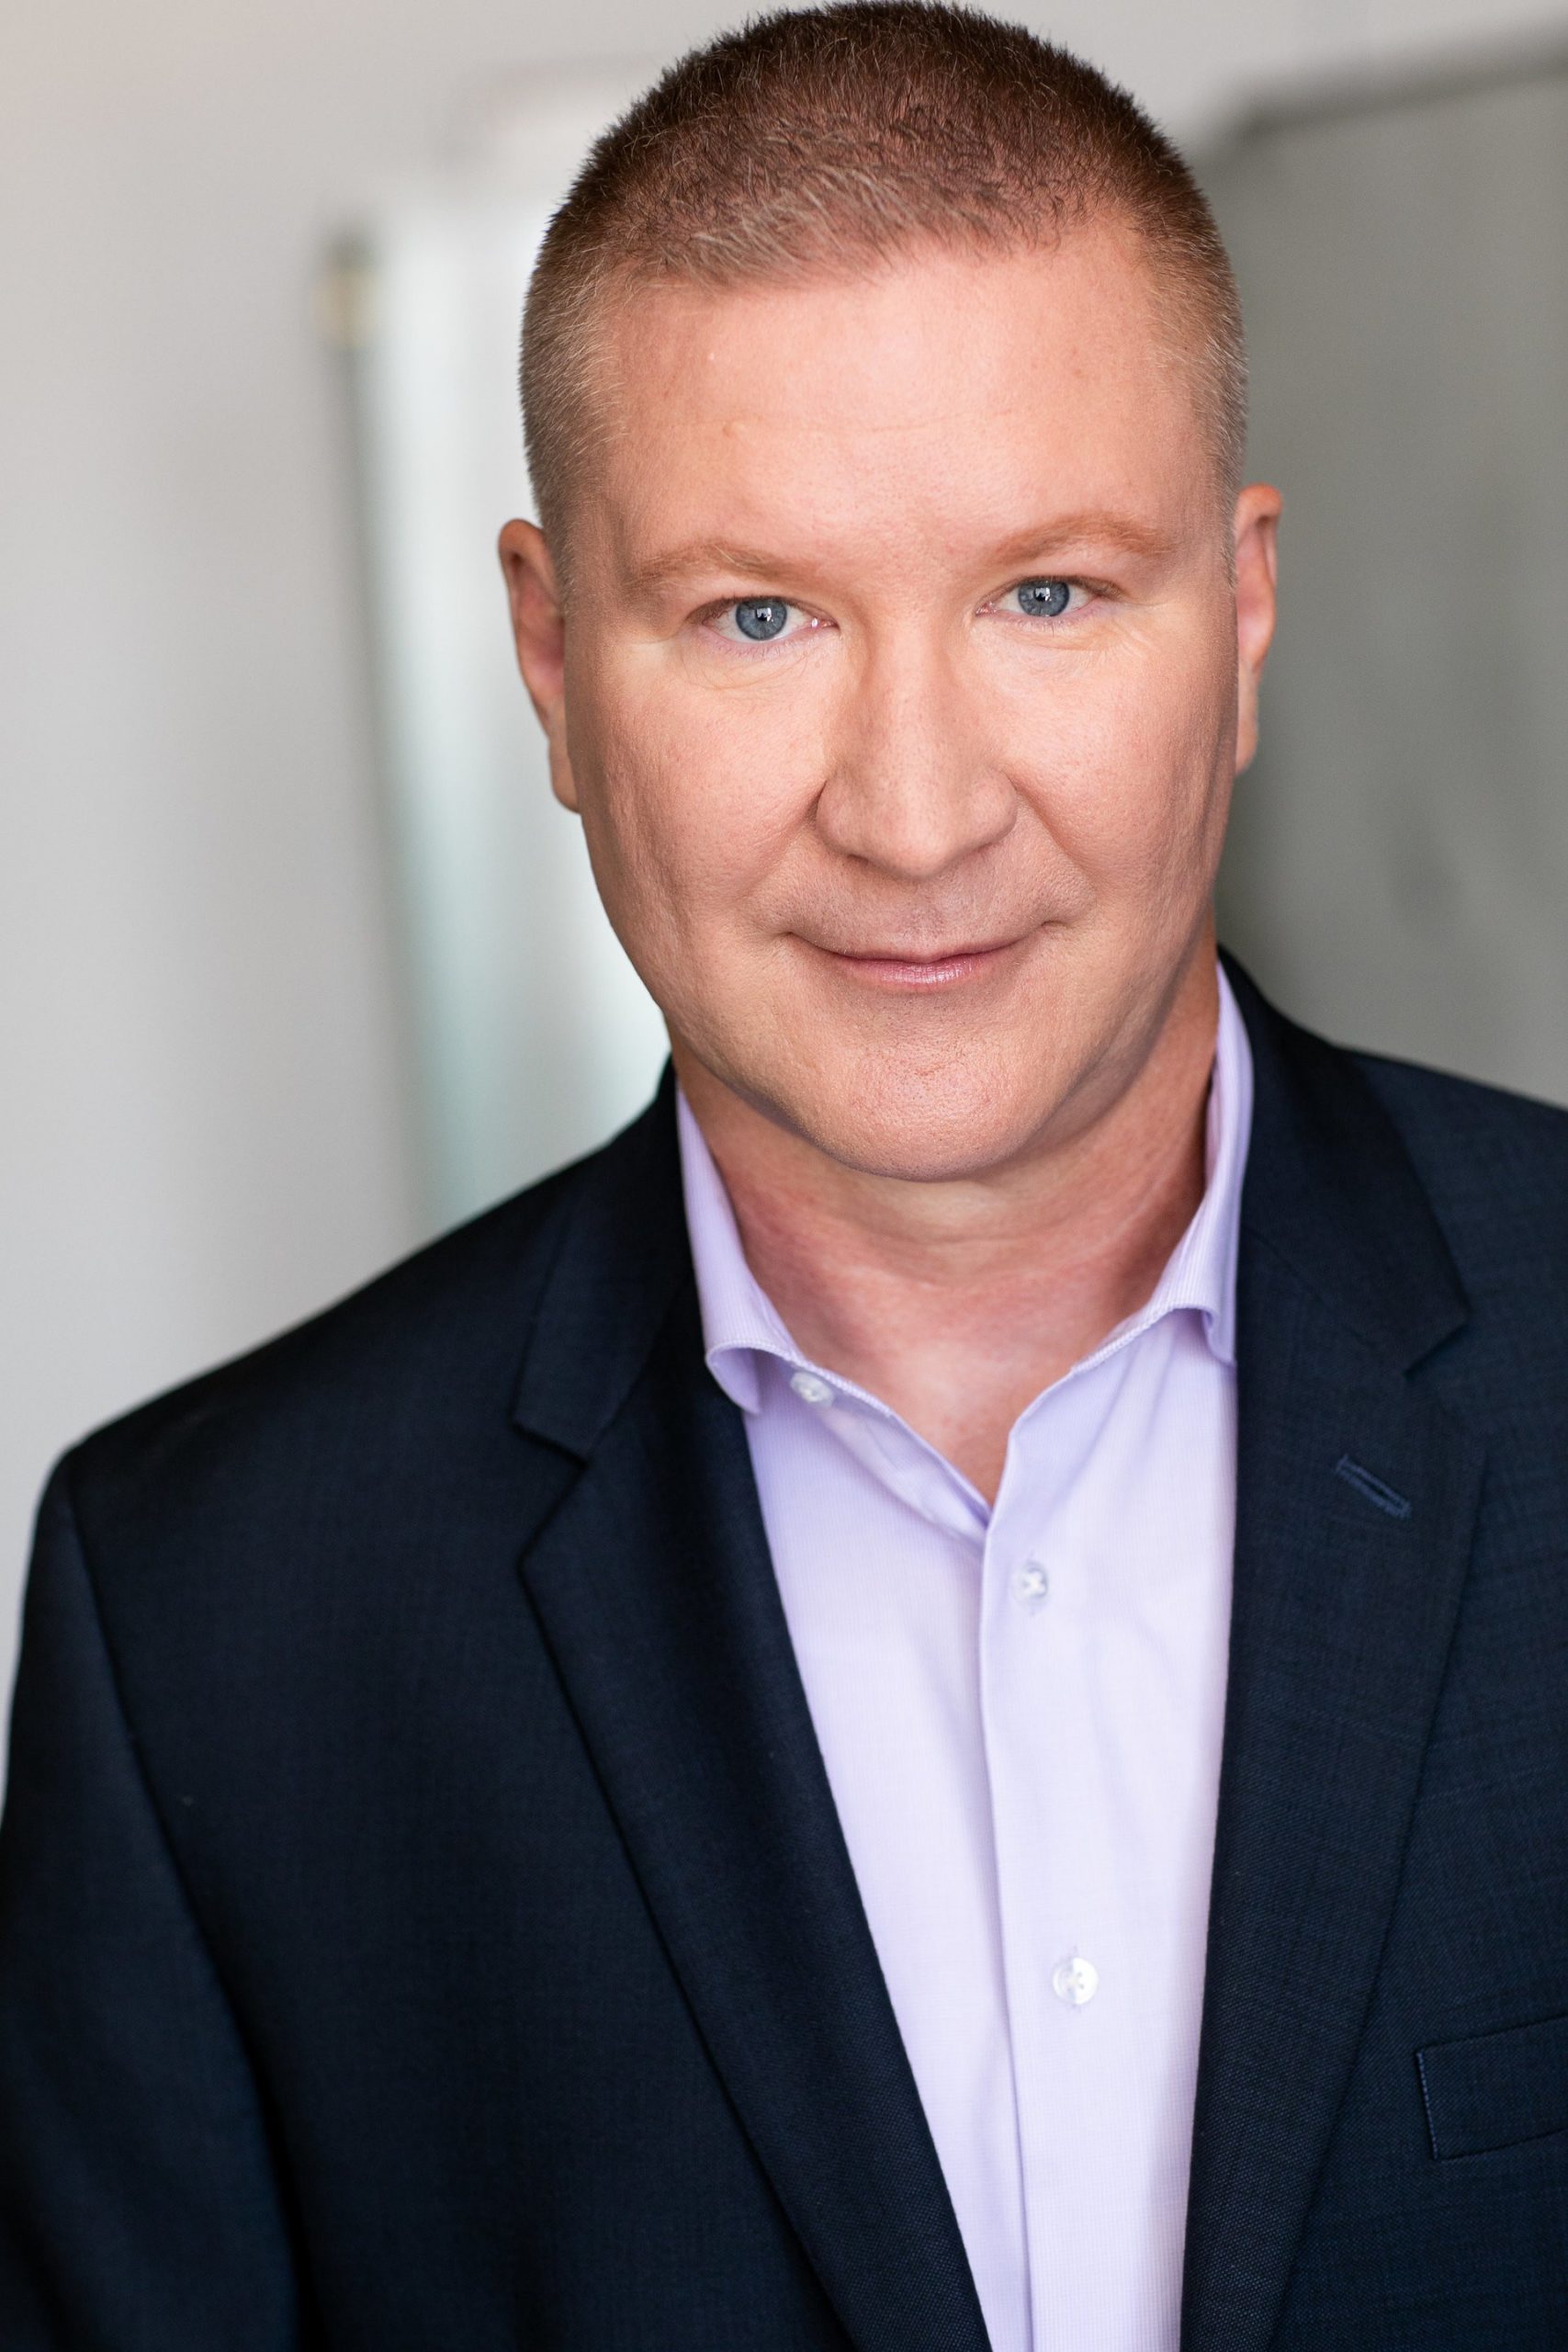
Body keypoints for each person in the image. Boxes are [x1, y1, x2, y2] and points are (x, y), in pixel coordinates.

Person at [2, 6, 1565, 2346]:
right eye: (758, 615)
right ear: (551, 663)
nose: (912, 812)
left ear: (1239, 620)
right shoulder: (214, 1625)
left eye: (1046, 593)